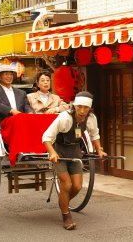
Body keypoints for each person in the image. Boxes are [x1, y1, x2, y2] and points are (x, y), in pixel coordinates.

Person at [42, 91, 107, 230]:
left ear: (90, 108)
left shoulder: (91, 118)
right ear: (74, 106)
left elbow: (94, 134)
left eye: (86, 108)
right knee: (66, 185)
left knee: (77, 186)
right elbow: (46, 137)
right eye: (80, 107)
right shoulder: (64, 118)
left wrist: (99, 149)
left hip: (75, 152)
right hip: (59, 153)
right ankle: (66, 215)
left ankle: (63, 202)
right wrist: (52, 153)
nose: (82, 111)